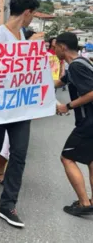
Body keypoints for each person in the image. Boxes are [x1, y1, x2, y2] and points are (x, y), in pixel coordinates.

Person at [0, 0, 40, 228]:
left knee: (19, 153)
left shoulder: (23, 35)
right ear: (27, 13)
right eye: (32, 14)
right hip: (0, 105)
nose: (31, 19)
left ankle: (8, 204)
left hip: (21, 107)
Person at [54, 32, 93, 216]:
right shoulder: (79, 64)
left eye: (55, 47)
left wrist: (66, 106)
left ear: (63, 47)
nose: (53, 51)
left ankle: (84, 203)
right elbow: (58, 82)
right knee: (91, 160)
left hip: (89, 121)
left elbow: (92, 93)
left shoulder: (76, 67)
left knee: (66, 157)